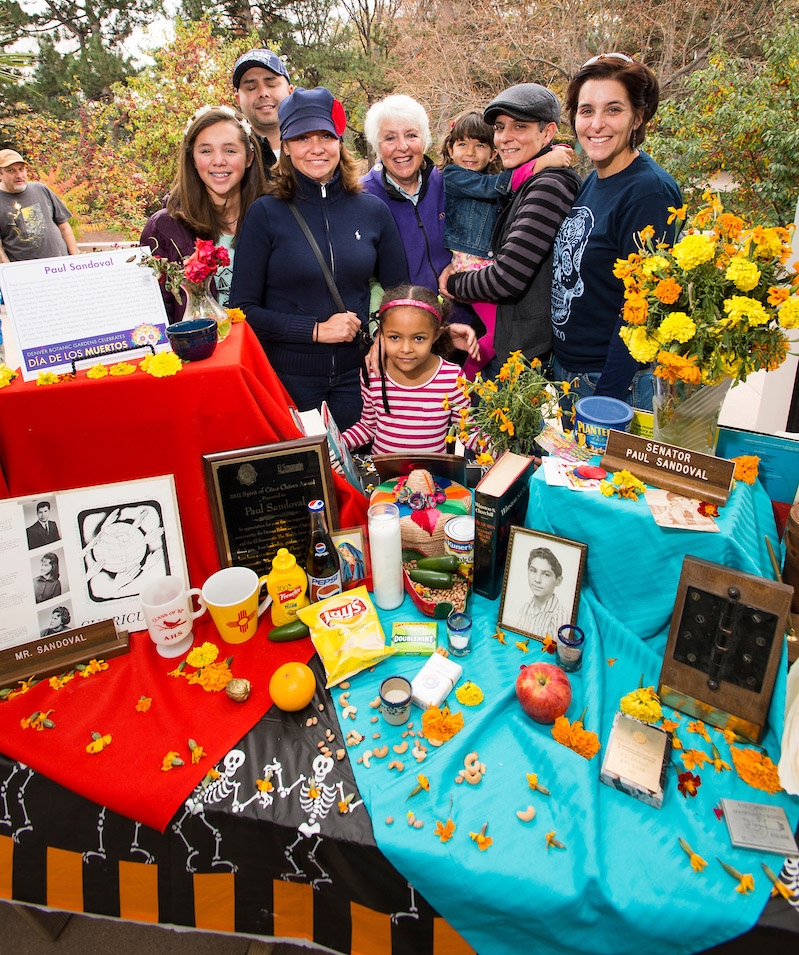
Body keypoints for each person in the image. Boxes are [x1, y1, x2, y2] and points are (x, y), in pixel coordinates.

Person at [230, 87, 408, 431]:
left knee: (359, 478)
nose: (315, 149)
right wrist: (314, 330)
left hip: (357, 381)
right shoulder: (265, 213)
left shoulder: (373, 211)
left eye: (325, 136)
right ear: (287, 146)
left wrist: (386, 336)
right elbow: (243, 310)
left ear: (339, 141)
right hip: (287, 382)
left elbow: (400, 292)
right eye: (301, 138)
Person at [550, 53, 683, 410]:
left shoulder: (648, 192)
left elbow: (641, 308)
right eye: (586, 110)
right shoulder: (594, 180)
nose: (596, 124)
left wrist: (607, 400)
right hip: (568, 371)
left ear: (637, 117)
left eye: (613, 110)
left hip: (611, 383)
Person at [439, 84, 581, 375]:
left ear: (547, 132)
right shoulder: (523, 182)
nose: (505, 137)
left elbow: (507, 279)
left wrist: (453, 285)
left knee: (486, 345)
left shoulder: (547, 185)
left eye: (519, 126)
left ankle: (460, 388)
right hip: (517, 340)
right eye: (500, 127)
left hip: (524, 347)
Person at [361, 95, 478, 337]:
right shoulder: (362, 197)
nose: (402, 146)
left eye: (411, 135)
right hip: (407, 336)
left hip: (464, 326)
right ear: (376, 145)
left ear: (425, 141)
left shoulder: (448, 183)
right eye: (390, 137)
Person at [140, 106, 266, 323]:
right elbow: (155, 314)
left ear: (249, 157)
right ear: (192, 158)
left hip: (263, 351)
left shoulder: (271, 218)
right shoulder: (163, 228)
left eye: (230, 150)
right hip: (200, 353)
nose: (218, 161)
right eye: (206, 151)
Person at [340, 285, 472, 454]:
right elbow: (368, 426)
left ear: (436, 335)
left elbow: (468, 430)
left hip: (432, 478)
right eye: (394, 337)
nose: (406, 348)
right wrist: (336, 446)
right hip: (384, 478)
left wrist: (498, 447)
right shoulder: (373, 373)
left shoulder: (453, 378)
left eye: (418, 338)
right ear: (381, 334)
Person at [0, 149, 79, 263]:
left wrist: (76, 260)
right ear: (1, 174)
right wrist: (9, 273)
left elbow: (64, 227)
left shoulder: (41, 189)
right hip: (29, 273)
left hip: (61, 265)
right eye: (11, 171)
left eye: (21, 169)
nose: (19, 175)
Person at [232, 48, 294, 178]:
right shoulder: (228, 161)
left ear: (290, 92)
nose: (263, 93)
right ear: (238, 99)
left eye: (271, 84)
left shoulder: (317, 151)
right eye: (251, 88)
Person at [517, 547, 570, 638]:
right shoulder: (525, 608)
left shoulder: (560, 617)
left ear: (558, 580)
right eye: (533, 571)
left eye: (546, 574)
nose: (537, 580)